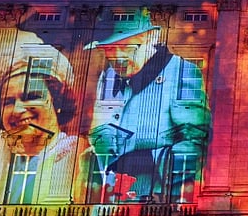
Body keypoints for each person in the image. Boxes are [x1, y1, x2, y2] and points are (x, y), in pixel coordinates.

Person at [85, 11, 210, 204]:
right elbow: (99, 133)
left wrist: (176, 202)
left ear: (152, 37)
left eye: (127, 46)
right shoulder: (109, 76)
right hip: (111, 204)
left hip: (153, 206)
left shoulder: (183, 71)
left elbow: (194, 143)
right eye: (109, 48)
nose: (116, 57)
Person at [0, 40, 87, 204]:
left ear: (57, 103)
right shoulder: (1, 165)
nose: (18, 110)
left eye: (32, 97)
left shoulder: (78, 156)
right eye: (8, 102)